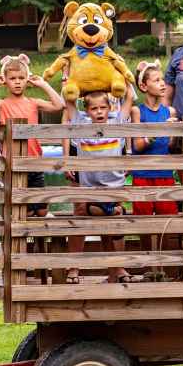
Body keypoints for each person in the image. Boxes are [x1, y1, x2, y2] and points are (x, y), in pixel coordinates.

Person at [0, 54, 64, 219]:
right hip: (13, 165)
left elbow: (60, 105)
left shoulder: (33, 103)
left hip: (34, 162)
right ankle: (25, 241)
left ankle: (40, 242)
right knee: (25, 211)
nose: (17, 81)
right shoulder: (2, 105)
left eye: (21, 78)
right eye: (12, 78)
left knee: (42, 210)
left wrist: (43, 85)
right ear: (5, 81)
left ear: (27, 79)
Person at [63, 89, 137, 284]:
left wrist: (119, 77)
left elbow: (129, 97)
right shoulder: (81, 126)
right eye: (94, 108)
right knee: (80, 216)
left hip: (114, 186)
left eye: (103, 107)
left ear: (110, 108)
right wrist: (74, 84)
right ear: (86, 111)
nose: (99, 112)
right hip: (89, 188)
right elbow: (68, 102)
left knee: (114, 224)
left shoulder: (117, 124)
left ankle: (118, 267)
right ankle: (74, 268)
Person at [129, 61, 180, 268]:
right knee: (143, 224)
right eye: (156, 80)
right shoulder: (137, 111)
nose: (163, 84)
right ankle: (147, 265)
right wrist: (159, 130)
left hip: (165, 173)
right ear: (144, 86)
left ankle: (162, 266)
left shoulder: (170, 111)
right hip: (143, 174)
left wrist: (173, 133)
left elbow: (170, 145)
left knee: (166, 222)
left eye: (163, 80)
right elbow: (138, 145)